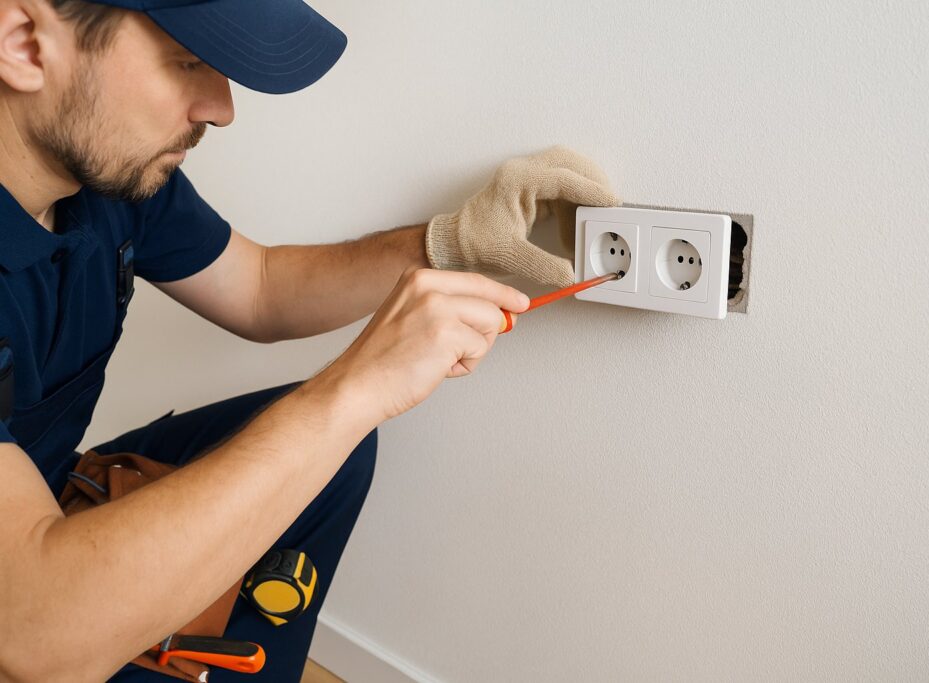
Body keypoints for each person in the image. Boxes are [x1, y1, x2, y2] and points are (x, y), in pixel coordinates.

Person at [0, 1, 619, 681]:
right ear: (24, 42)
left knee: (334, 452)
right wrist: (353, 388)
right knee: (324, 425)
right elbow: (35, 641)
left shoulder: (107, 181)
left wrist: (452, 241)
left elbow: (261, 287)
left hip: (38, 500)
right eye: (187, 62)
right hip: (27, 605)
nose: (222, 109)